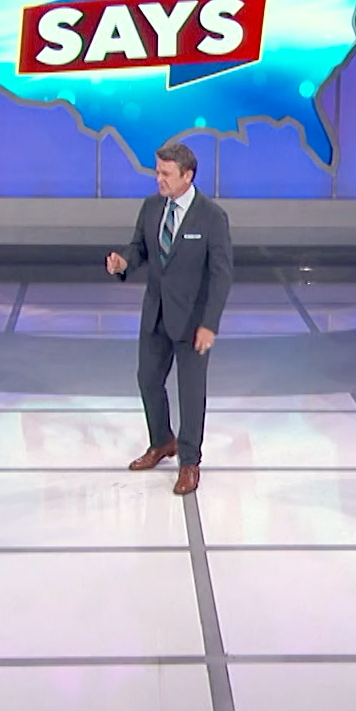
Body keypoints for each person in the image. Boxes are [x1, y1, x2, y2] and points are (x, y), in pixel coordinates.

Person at [106, 142, 233, 496]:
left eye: (166, 173)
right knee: (148, 379)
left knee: (190, 392)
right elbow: (140, 248)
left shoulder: (212, 217)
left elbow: (222, 275)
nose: (158, 179)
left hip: (193, 321)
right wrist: (124, 262)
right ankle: (162, 441)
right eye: (157, 172)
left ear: (187, 176)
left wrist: (210, 324)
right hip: (156, 314)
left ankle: (189, 461)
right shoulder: (151, 207)